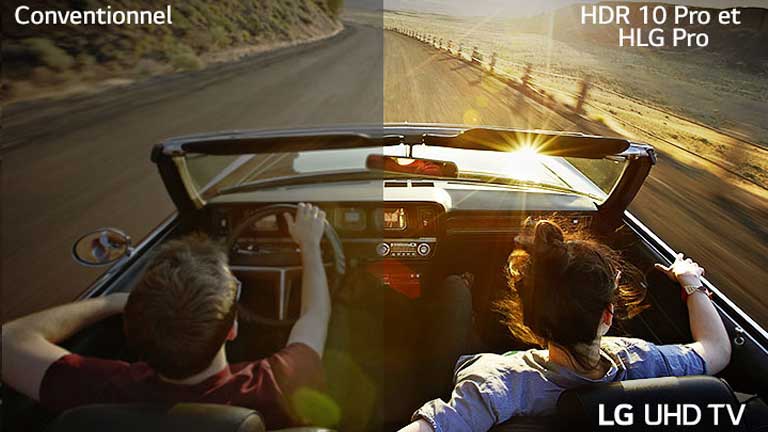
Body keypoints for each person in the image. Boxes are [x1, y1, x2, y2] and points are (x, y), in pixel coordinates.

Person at [2, 203, 331, 429]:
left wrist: (110, 303)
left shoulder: (99, 390)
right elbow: (315, 315)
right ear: (232, 328)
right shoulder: (278, 385)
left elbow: (10, 339)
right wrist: (310, 246)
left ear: (133, 327)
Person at [400, 219, 731, 432]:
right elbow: (716, 350)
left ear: (530, 323)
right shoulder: (641, 362)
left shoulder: (496, 384)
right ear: (607, 316)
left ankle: (461, 284)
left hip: (459, 372)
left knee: (454, 293)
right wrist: (691, 284)